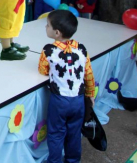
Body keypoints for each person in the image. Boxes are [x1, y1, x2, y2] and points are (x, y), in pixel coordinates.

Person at [38, 10, 95, 163]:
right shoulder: (82, 48)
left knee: (56, 133)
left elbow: (42, 70)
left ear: (56, 32)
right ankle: (73, 160)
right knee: (74, 133)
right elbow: (88, 74)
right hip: (78, 100)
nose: (45, 27)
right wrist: (90, 94)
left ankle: (54, 161)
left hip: (59, 101)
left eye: (48, 25)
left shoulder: (48, 50)